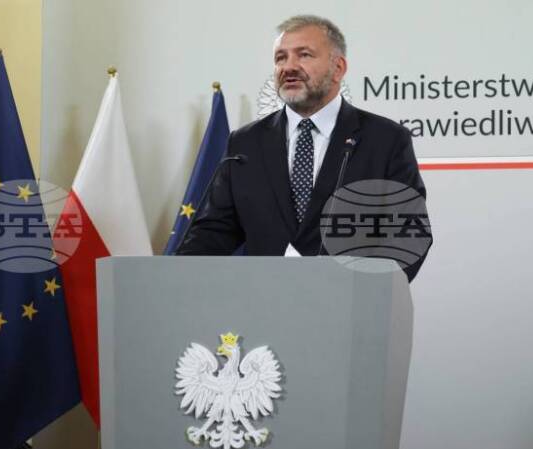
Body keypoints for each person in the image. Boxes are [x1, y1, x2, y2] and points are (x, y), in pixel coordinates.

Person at [177, 15, 430, 281]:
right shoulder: (245, 143)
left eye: (304, 55)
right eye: (280, 58)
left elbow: (408, 235)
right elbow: (212, 233)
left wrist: (368, 291)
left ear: (338, 68)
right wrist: (176, 279)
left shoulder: (386, 140)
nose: (288, 67)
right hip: (262, 299)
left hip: (350, 299)